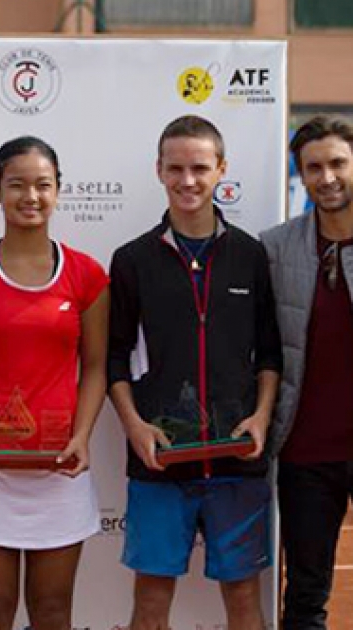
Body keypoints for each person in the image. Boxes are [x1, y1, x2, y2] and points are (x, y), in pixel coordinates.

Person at [107, 115, 281, 630]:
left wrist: (261, 418)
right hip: (161, 462)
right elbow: (114, 357)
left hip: (238, 460)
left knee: (245, 599)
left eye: (200, 168)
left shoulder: (251, 254)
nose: (188, 180)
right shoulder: (132, 259)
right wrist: (135, 427)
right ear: (158, 170)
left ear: (221, 169)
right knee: (152, 601)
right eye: (176, 168)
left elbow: (270, 353)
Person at [0, 136, 109, 630]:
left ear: (59, 191)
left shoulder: (87, 275)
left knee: (53, 612)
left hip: (60, 471)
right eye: (17, 185)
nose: (30, 197)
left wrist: (81, 435)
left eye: (43, 185)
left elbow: (96, 366)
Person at [261, 116, 353, 630]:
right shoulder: (274, 248)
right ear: (300, 174)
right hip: (305, 453)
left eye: (338, 163)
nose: (327, 177)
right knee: (305, 595)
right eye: (314, 167)